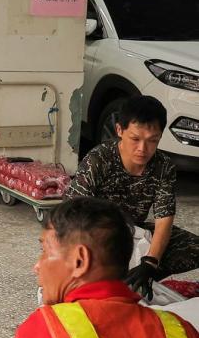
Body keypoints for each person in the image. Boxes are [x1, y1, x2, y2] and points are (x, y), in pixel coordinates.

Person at [4, 197, 199, 338]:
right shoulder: (181, 332)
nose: (37, 266)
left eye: (45, 251)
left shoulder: (47, 333)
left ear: (79, 261)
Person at [66, 95, 199, 299]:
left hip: (134, 231)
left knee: (193, 247)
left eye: (152, 141)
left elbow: (164, 218)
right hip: (95, 235)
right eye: (135, 139)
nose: (142, 149)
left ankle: (139, 277)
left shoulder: (164, 166)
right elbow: (73, 215)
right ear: (120, 130)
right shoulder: (98, 160)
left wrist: (150, 261)